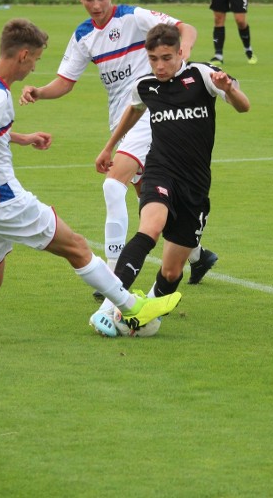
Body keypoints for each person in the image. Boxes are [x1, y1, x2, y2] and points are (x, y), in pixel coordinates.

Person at [0, 18, 181, 346]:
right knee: (78, 247)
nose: (35, 67)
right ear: (23, 55)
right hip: (1, 199)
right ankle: (132, 308)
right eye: (37, 60)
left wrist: (21, 138)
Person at [19, 0, 219, 299]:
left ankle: (112, 274)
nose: (96, 5)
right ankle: (198, 257)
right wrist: (39, 91)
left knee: (113, 184)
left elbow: (186, 27)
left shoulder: (134, 18)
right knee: (152, 203)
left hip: (153, 114)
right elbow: (65, 82)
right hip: (123, 120)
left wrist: (182, 52)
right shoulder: (84, 35)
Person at [89, 23, 250, 336]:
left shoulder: (203, 76)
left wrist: (228, 88)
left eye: (166, 58)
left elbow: (244, 106)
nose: (159, 66)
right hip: (160, 172)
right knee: (150, 227)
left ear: (180, 53)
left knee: (172, 269)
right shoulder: (147, 85)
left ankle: (144, 314)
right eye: (153, 59)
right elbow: (134, 110)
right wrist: (110, 146)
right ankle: (109, 307)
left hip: (195, 185)